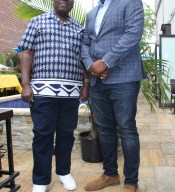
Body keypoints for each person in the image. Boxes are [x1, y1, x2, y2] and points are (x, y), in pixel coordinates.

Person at [18, 0, 89, 192]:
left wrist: (85, 84)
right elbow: (26, 52)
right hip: (43, 92)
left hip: (71, 93)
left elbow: (83, 59)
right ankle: (40, 180)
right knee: (43, 135)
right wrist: (25, 84)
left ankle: (64, 172)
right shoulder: (37, 22)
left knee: (66, 135)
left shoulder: (79, 28)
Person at [81, 0, 145, 191]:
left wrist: (106, 62)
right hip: (97, 80)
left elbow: (133, 35)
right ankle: (110, 174)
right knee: (105, 128)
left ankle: (131, 182)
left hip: (124, 76)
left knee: (126, 128)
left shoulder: (130, 2)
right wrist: (92, 67)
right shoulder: (91, 13)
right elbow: (85, 43)